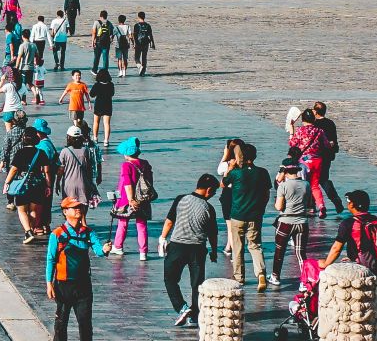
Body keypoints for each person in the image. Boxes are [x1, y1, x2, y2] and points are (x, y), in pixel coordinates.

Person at [322, 189, 377, 341]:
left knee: (357, 310)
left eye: (349, 202)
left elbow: (336, 248)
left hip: (361, 274)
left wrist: (325, 264)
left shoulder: (348, 223)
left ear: (353, 205)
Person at [46, 197, 106, 341]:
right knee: (62, 318)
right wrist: (49, 283)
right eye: (74, 208)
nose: (78, 210)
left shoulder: (88, 232)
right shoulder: (57, 234)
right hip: (63, 284)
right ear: (65, 212)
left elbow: (99, 251)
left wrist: (105, 250)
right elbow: (51, 259)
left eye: (79, 207)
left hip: (83, 284)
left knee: (85, 320)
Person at [160, 174, 220, 328]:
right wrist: (213, 251)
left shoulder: (181, 199)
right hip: (198, 249)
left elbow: (169, 221)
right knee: (197, 284)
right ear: (208, 190)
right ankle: (194, 316)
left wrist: (162, 238)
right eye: (213, 192)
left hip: (177, 246)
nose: (212, 195)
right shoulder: (209, 208)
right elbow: (213, 233)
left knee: (170, 279)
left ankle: (182, 307)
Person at [221, 142, 272, 290]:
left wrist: (231, 167)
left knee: (238, 247)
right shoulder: (262, 172)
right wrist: (261, 208)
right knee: (255, 246)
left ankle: (239, 277)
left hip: (238, 214)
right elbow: (267, 194)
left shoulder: (236, 173)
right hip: (255, 215)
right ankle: (261, 273)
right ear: (255, 156)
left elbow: (223, 184)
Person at [4, 127, 53, 244]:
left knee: (22, 210)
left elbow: (14, 169)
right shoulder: (40, 152)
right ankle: (30, 231)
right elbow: (46, 171)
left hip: (23, 184)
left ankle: (28, 232)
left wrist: (7, 183)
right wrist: (48, 186)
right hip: (37, 184)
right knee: (33, 210)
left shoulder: (20, 152)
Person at [108, 137, 155, 259]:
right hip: (143, 198)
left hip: (126, 199)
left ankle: (118, 246)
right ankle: (143, 252)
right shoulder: (145, 163)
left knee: (123, 223)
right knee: (141, 224)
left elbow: (127, 183)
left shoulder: (126, 165)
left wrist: (131, 199)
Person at [269, 160, 311, 286]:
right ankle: (305, 280)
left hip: (285, 222)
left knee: (279, 251)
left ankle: (275, 276)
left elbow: (279, 207)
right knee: (301, 253)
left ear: (286, 172)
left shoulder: (283, 186)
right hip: (302, 222)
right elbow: (308, 204)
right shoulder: (306, 184)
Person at [56, 124, 99, 206]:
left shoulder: (65, 151)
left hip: (68, 185)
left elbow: (61, 170)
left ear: (68, 137)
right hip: (83, 183)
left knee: (68, 209)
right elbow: (90, 168)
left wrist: (57, 182)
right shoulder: (85, 150)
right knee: (83, 212)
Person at [89, 67, 115, 147]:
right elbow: (112, 94)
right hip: (108, 104)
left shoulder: (97, 85)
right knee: (107, 123)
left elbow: (92, 94)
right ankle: (106, 140)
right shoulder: (111, 84)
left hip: (99, 104)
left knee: (96, 122)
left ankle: (95, 137)